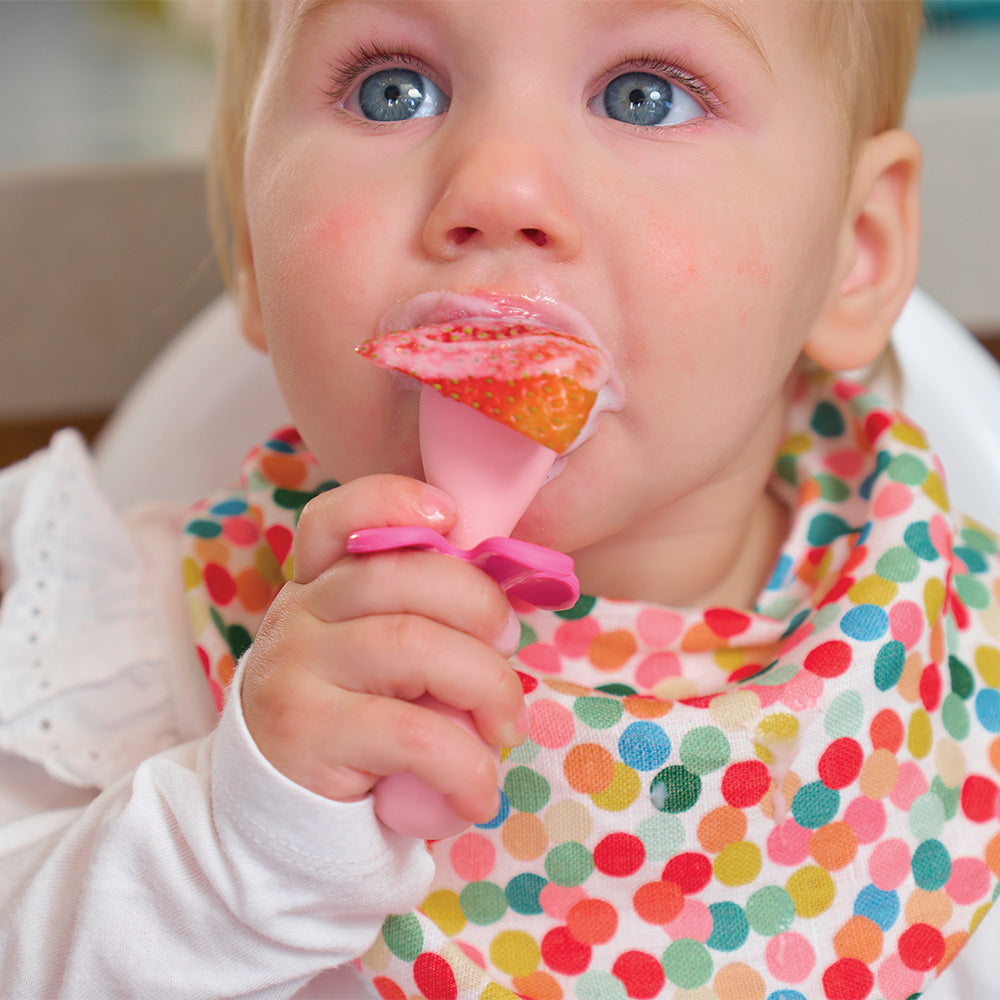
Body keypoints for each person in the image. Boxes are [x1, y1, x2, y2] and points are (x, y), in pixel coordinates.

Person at [1, 0, 998, 997]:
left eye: (643, 96)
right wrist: (235, 839)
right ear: (255, 246)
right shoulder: (120, 647)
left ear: (851, 251)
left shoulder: (962, 689)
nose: (498, 184)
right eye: (392, 88)